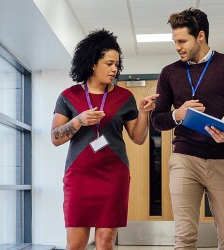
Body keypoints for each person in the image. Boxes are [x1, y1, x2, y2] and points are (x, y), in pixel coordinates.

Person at [150, 8, 224, 250]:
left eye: (182, 41)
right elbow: (157, 120)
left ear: (200, 36)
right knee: (185, 237)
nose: (177, 47)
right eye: (174, 41)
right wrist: (177, 115)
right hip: (184, 159)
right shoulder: (170, 72)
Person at [51, 29, 158, 250]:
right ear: (92, 63)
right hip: (78, 175)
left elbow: (138, 138)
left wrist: (144, 113)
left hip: (113, 175)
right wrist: (78, 120)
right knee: (75, 244)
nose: (114, 69)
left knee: (106, 241)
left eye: (117, 65)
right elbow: (55, 137)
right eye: (109, 64)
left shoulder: (124, 97)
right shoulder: (68, 96)